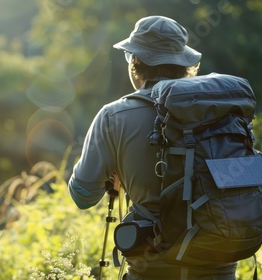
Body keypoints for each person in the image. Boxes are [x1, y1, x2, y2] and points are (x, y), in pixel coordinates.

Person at [68, 16, 237, 279]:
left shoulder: (113, 116)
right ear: (184, 64)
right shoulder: (222, 108)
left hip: (153, 268)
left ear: (135, 62)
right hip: (220, 265)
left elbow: (82, 196)